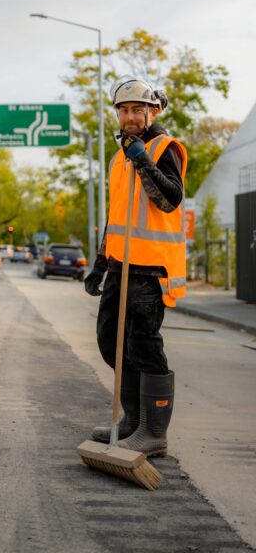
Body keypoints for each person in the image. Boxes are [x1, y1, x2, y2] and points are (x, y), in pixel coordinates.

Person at [84, 75, 187, 457]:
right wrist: (100, 262)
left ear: (153, 111)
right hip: (120, 265)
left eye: (137, 110)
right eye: (124, 110)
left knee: (144, 346)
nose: (129, 117)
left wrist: (143, 159)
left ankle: (153, 432)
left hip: (151, 270)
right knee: (111, 343)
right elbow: (117, 215)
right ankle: (131, 421)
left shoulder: (164, 148)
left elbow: (169, 200)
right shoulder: (119, 156)